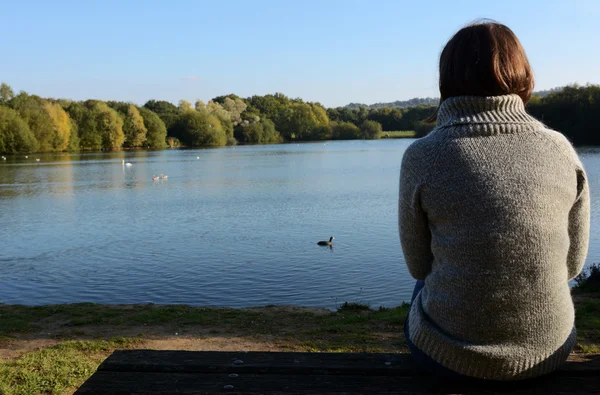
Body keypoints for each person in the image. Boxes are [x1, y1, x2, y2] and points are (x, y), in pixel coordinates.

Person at [399, 20, 590, 381]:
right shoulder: (561, 149)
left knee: (422, 285)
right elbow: (574, 265)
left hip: (450, 359)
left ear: (448, 78)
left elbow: (417, 266)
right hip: (549, 352)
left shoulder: (423, 156)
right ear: (522, 74)